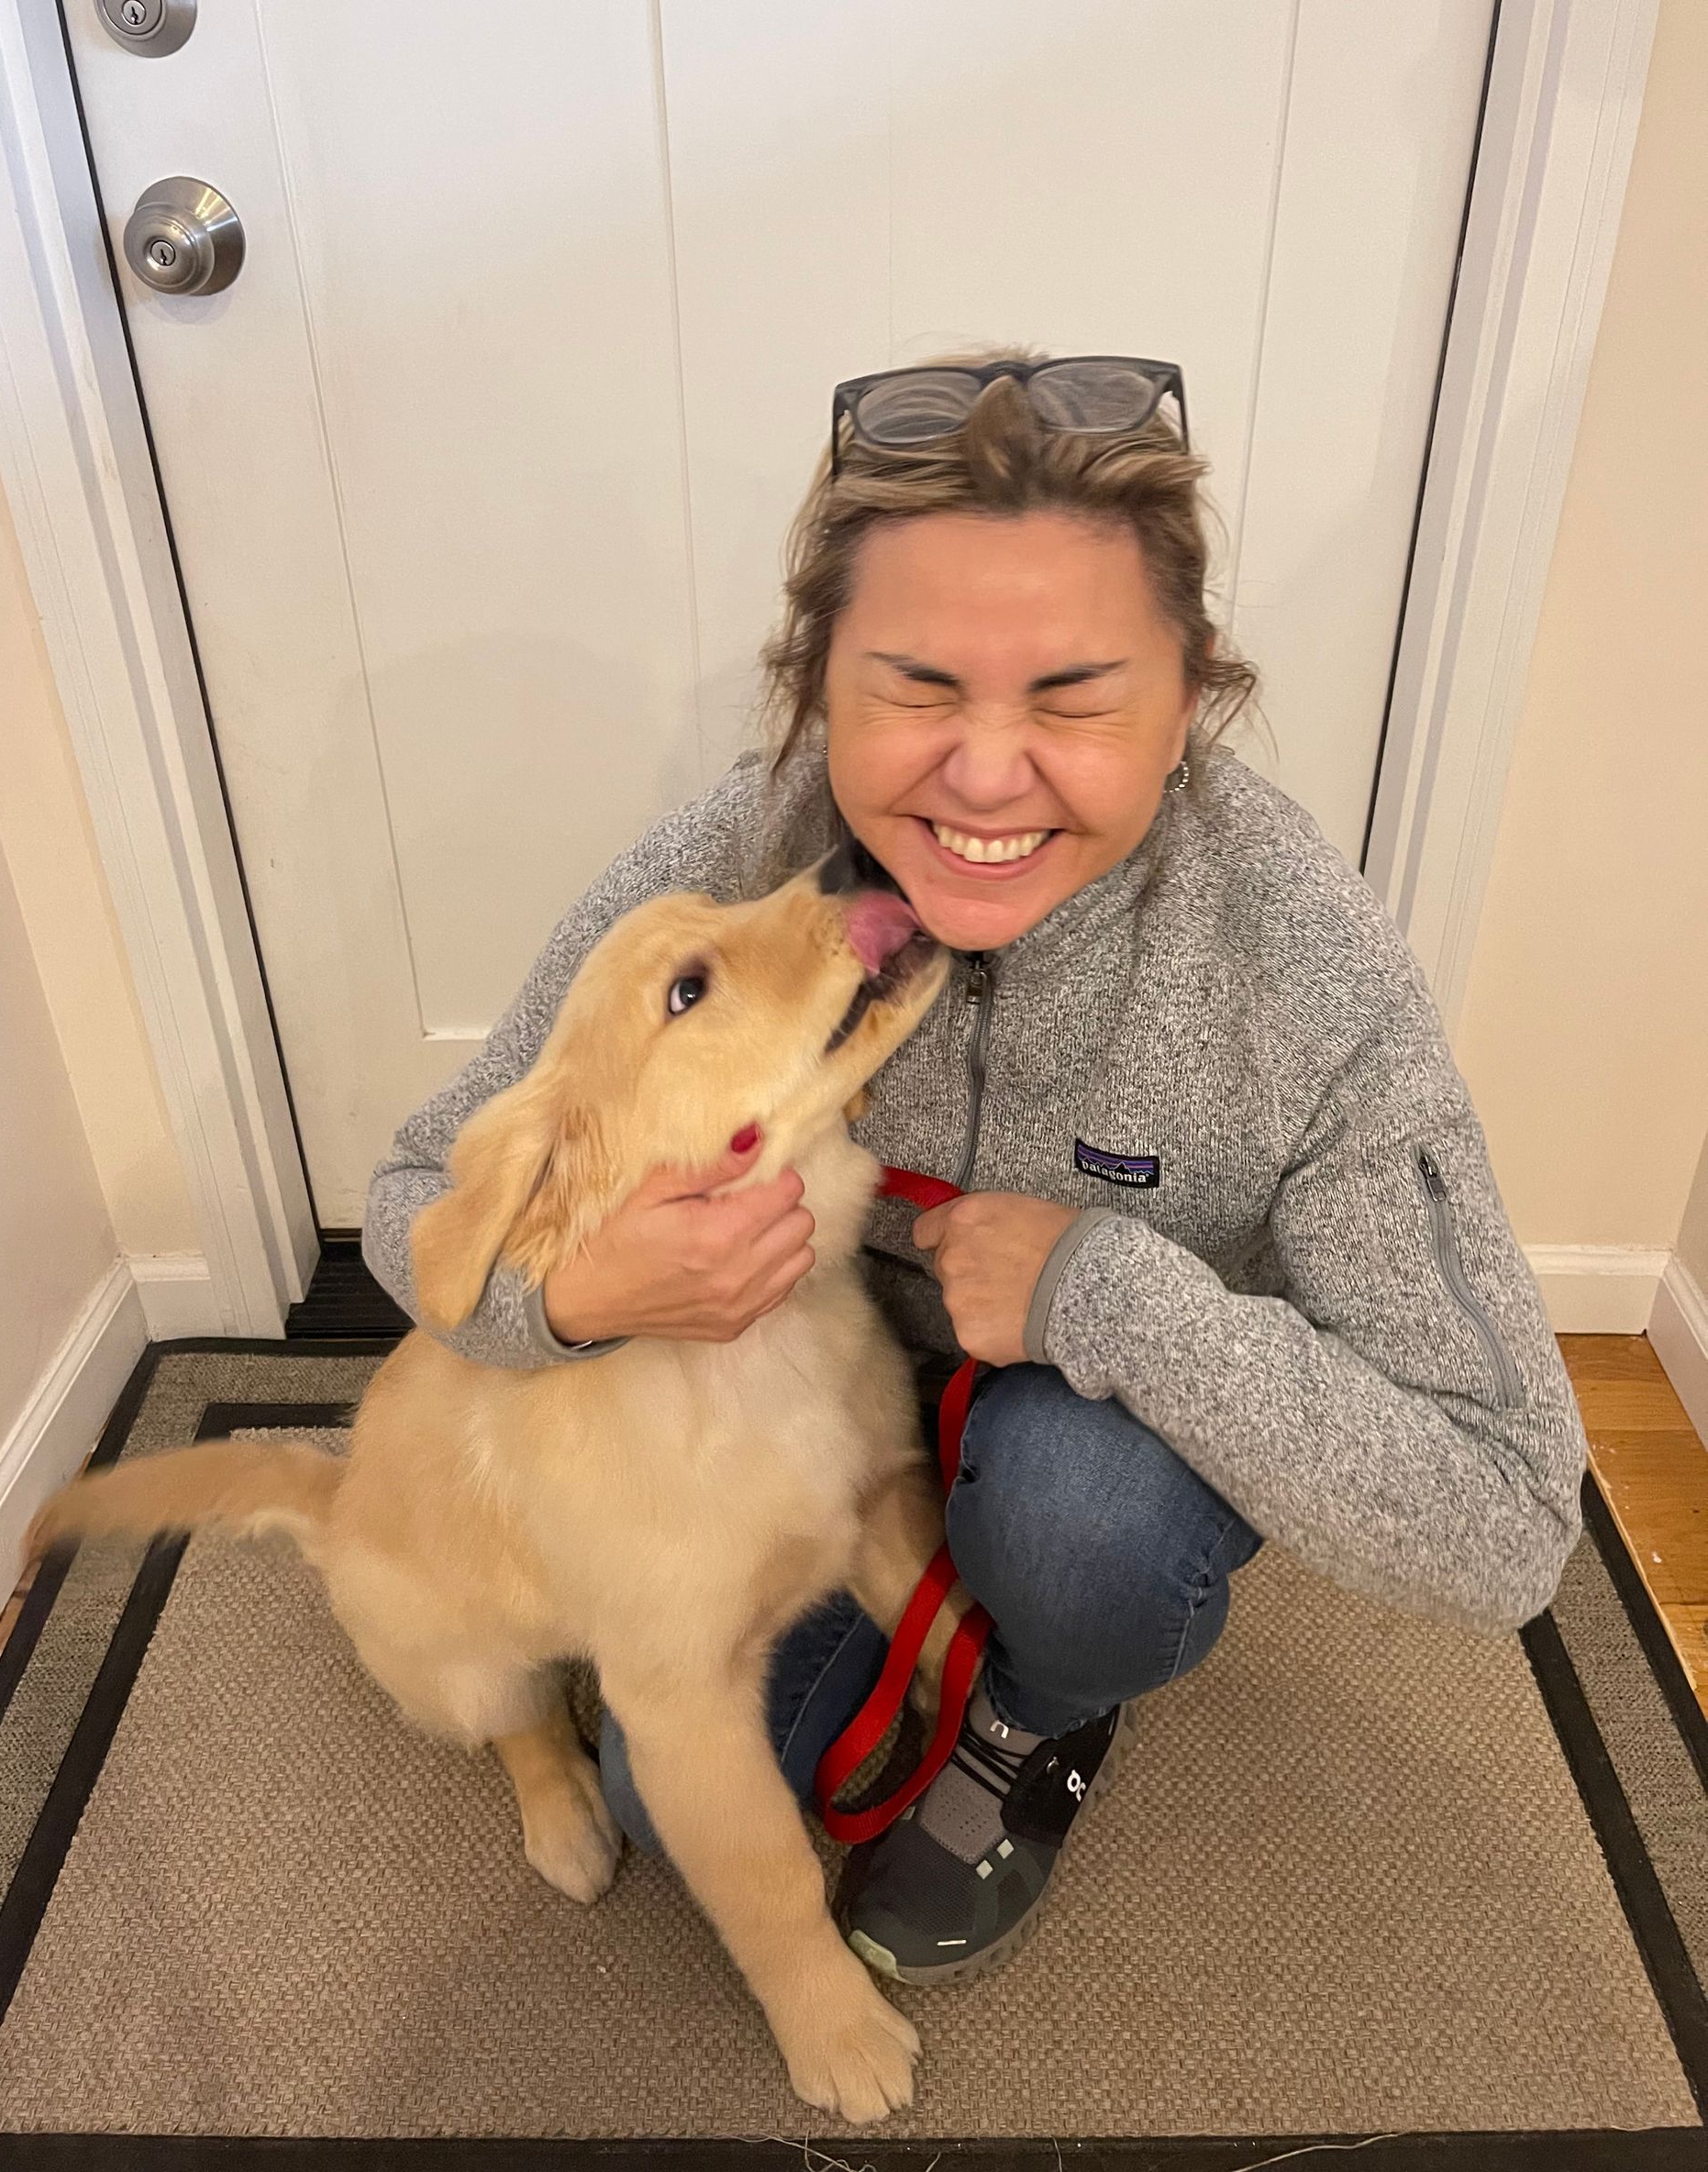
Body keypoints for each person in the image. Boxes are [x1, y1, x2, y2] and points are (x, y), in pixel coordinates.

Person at [363, 352, 1585, 1989]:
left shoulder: (1303, 967)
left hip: (1089, 1428)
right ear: (817, 688)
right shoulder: (730, 865)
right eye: (916, 690)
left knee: (1088, 1531)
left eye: (1076, 698)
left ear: (1192, 699)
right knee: (674, 1808)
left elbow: (1510, 1517)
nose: (988, 775)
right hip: (800, 1424)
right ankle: (904, 1596)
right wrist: (575, 1299)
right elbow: (417, 1198)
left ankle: (1039, 1712)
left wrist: (1106, 1295)